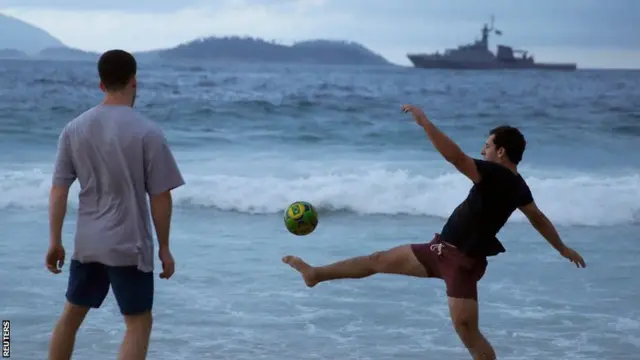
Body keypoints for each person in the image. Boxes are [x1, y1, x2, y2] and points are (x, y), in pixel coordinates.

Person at [282, 104, 586, 360]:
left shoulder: (495, 174)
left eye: (488, 146)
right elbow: (538, 218)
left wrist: (425, 123)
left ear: (501, 151)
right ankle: (315, 274)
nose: (483, 150)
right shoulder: (519, 186)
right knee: (377, 260)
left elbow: (455, 158)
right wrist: (562, 248)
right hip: (439, 250)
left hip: (461, 264)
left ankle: (316, 274)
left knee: (468, 332)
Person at [45, 49, 185, 360]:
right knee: (137, 324)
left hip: (87, 243)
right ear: (134, 81)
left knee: (70, 318)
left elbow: (58, 190)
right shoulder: (147, 131)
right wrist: (164, 247)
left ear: (101, 84)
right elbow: (161, 196)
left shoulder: (74, 128)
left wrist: (55, 241)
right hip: (128, 244)